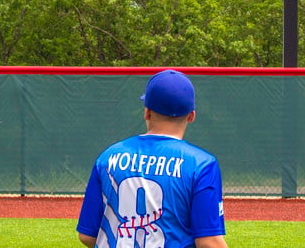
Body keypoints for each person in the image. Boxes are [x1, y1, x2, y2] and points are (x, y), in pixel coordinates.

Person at [76, 69, 228, 248]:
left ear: (147, 112)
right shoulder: (201, 164)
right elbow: (209, 242)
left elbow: (87, 235)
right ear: (191, 116)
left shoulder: (108, 157)